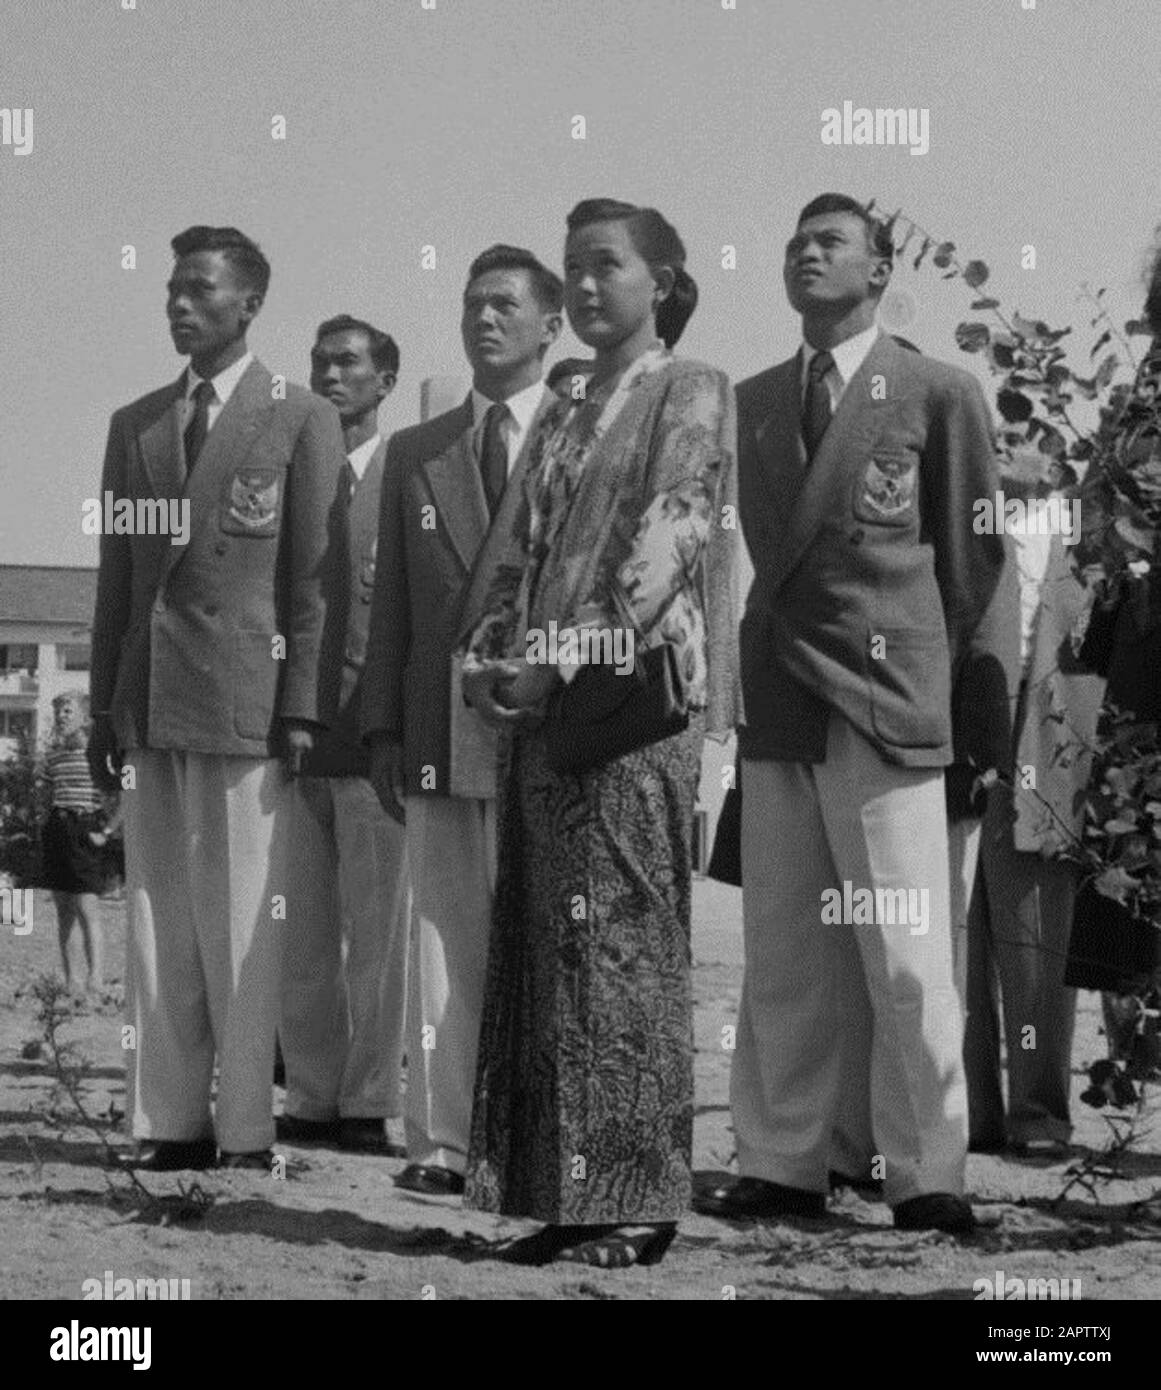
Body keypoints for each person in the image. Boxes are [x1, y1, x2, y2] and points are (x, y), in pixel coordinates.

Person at [703, 193, 1013, 1236]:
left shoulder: (938, 390)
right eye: (794, 243)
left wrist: (944, 682)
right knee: (784, 949)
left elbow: (971, 568)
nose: (804, 255)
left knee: (909, 954)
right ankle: (783, 1163)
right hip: (782, 696)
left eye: (829, 242)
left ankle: (927, 1169)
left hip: (887, 697)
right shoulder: (748, 401)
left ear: (881, 271)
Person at [461, 197, 740, 1268]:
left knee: (624, 947)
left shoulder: (692, 388)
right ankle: (561, 1196)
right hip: (540, 704)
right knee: (545, 947)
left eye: (606, 266)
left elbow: (672, 534)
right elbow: (520, 551)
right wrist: (494, 658)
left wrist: (566, 654)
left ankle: (636, 1199)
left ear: (662, 281)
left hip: (630, 701)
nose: (582, 286)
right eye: (572, 267)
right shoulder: (568, 404)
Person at [88, 225, 346, 1173]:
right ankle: (167, 1124)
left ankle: (244, 1132)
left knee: (243, 928)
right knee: (159, 925)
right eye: (170, 289)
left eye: (199, 289)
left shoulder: (297, 415)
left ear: (249, 304)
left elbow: (315, 580)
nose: (178, 304)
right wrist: (103, 706)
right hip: (149, 705)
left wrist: (304, 707)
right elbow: (118, 581)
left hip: (248, 701)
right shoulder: (138, 425)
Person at [362, 245, 562, 1197]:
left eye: (507, 306)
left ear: (550, 326)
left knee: (545, 938)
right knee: (442, 938)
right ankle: (442, 1143)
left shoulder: (583, 437)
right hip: (440, 727)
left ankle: (533, 1144)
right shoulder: (417, 450)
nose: (486, 320)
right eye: (474, 304)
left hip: (553, 722)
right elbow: (390, 606)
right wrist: (382, 732)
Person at [277, 316, 412, 1156]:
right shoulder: (293, 474)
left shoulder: (405, 472)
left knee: (378, 936)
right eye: (320, 361)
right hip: (293, 740)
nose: (331, 375)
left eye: (349, 363)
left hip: (374, 740)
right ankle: (313, 1097)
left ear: (384, 381)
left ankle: (370, 1102)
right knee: (299, 937)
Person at [964, 453, 1103, 1157]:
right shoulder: (957, 510)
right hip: (960, 716)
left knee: (1035, 928)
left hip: (1047, 726)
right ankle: (966, 1113)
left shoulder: (1087, 526)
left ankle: (1038, 1113)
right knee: (952, 930)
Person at [43, 691, 118, 996]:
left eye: (67, 711)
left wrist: (108, 831)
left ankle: (96, 979)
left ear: (83, 717)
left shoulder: (96, 754)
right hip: (58, 829)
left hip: (86, 828)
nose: (61, 716)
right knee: (63, 911)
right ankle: (72, 980)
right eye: (58, 711)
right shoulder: (53, 754)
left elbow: (123, 794)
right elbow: (47, 793)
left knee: (88, 908)